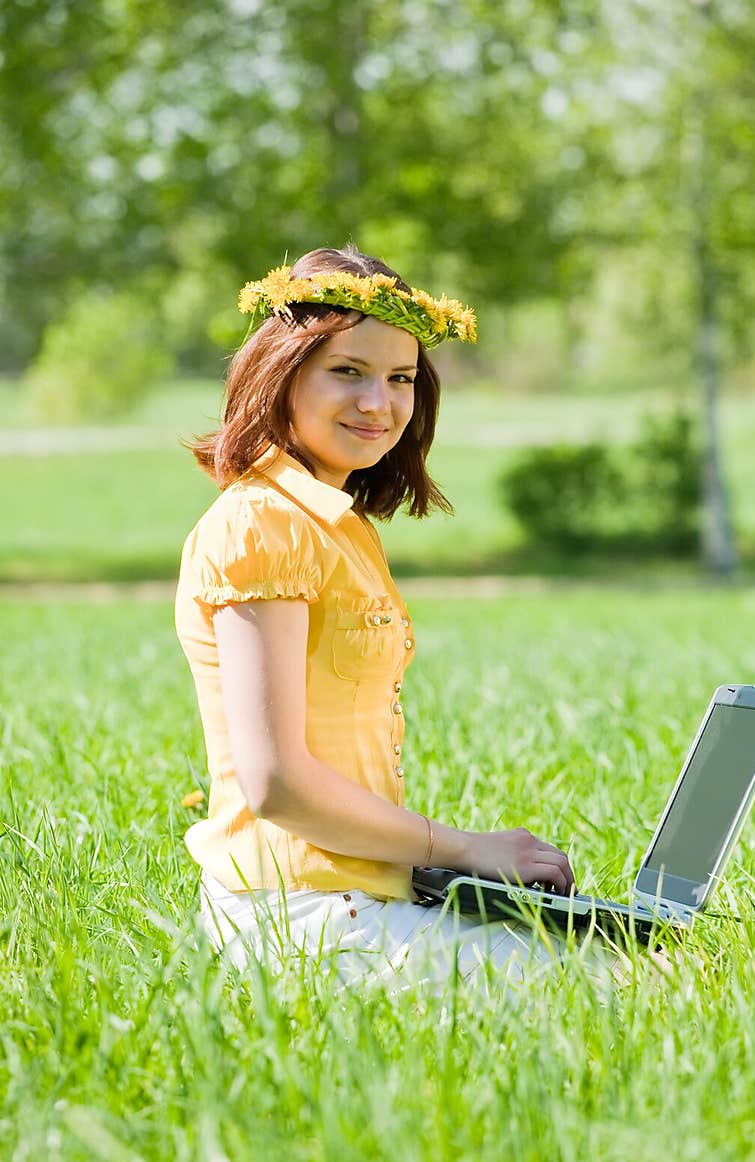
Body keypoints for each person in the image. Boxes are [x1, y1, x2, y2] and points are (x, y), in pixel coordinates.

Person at [174, 243, 621, 991]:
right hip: (293, 920)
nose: (377, 403)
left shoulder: (337, 524)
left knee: (641, 959)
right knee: (632, 983)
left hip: (356, 898)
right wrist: (465, 850)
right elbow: (275, 782)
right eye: (347, 372)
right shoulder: (262, 525)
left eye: (400, 378)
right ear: (281, 374)